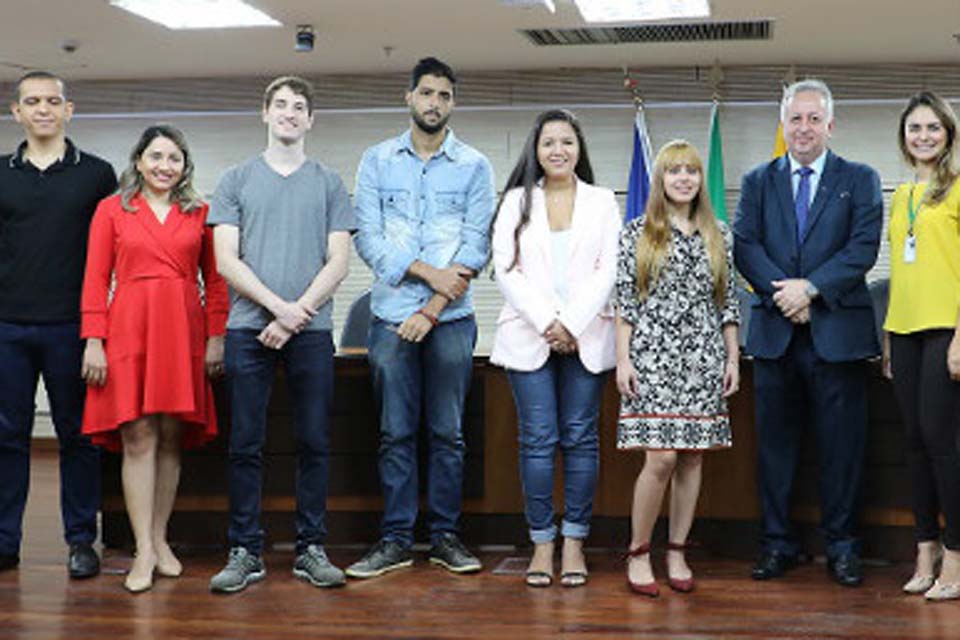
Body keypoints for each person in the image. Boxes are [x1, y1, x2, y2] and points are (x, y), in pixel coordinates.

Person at [207, 75, 355, 593]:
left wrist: (300, 313)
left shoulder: (329, 183)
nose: (290, 113)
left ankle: (311, 548)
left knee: (315, 440)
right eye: (281, 105)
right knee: (246, 443)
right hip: (250, 330)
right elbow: (226, 259)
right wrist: (278, 309)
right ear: (264, 113)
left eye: (299, 107)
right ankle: (245, 550)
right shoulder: (235, 180)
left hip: (312, 332)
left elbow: (339, 260)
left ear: (310, 120)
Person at [349, 56, 495, 579]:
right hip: (390, 318)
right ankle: (394, 540)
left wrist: (433, 307)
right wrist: (430, 276)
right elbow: (368, 237)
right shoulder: (376, 160)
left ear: (453, 103)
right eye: (427, 93)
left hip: (451, 320)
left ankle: (445, 538)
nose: (435, 103)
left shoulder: (475, 165)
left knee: (448, 432)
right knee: (394, 432)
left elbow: (477, 243)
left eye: (445, 95)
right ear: (408, 97)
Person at [734, 79, 883, 587]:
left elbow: (862, 249)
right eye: (795, 118)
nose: (803, 128)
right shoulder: (758, 181)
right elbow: (745, 246)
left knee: (843, 449)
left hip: (837, 336)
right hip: (776, 334)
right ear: (783, 124)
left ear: (830, 125)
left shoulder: (859, 178)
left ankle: (842, 546)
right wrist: (786, 294)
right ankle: (778, 544)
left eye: (813, 118)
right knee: (774, 448)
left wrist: (812, 290)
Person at [80, 125, 228, 592]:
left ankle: (161, 539)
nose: (165, 166)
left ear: (185, 167)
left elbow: (217, 281)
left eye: (175, 159)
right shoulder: (111, 209)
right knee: (138, 435)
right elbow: (95, 277)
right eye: (157, 156)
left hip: (183, 328)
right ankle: (142, 548)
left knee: (170, 435)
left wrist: (216, 336)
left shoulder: (200, 213)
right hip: (129, 328)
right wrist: (93, 339)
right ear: (139, 161)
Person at [489, 109, 619, 588]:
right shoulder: (516, 202)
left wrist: (572, 322)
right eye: (549, 143)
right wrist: (549, 322)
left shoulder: (603, 201)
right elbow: (506, 269)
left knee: (581, 439)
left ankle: (575, 543)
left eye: (567, 141)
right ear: (536, 150)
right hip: (529, 334)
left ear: (579, 148)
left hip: (587, 334)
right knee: (538, 441)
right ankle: (542, 543)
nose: (558, 150)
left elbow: (609, 269)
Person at [0, 71, 117, 578]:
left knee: (78, 437)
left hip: (73, 328)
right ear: (16, 112)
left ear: (69, 110)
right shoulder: (0, 172)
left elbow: (112, 260)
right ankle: (5, 542)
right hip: (7, 328)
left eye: (52, 101)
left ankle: (80, 542)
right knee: (7, 437)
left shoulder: (97, 174)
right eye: (32, 101)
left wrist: (99, 334)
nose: (43, 109)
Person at [616, 140, 739, 597]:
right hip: (652, 357)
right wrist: (624, 359)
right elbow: (625, 302)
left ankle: (677, 550)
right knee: (661, 457)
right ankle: (638, 550)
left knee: (691, 457)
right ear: (661, 179)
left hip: (704, 358)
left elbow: (727, 303)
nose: (684, 178)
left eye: (691, 171)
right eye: (674, 171)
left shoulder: (720, 233)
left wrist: (731, 358)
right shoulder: (637, 231)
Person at [882, 91, 960, 601]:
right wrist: (888, 338)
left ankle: (955, 553)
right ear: (905, 137)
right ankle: (924, 548)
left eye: (933, 128)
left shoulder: (958, 189)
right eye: (916, 128)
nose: (924, 136)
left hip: (946, 329)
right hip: (904, 328)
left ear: (948, 134)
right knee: (912, 442)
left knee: (942, 443)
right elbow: (898, 271)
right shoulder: (903, 194)